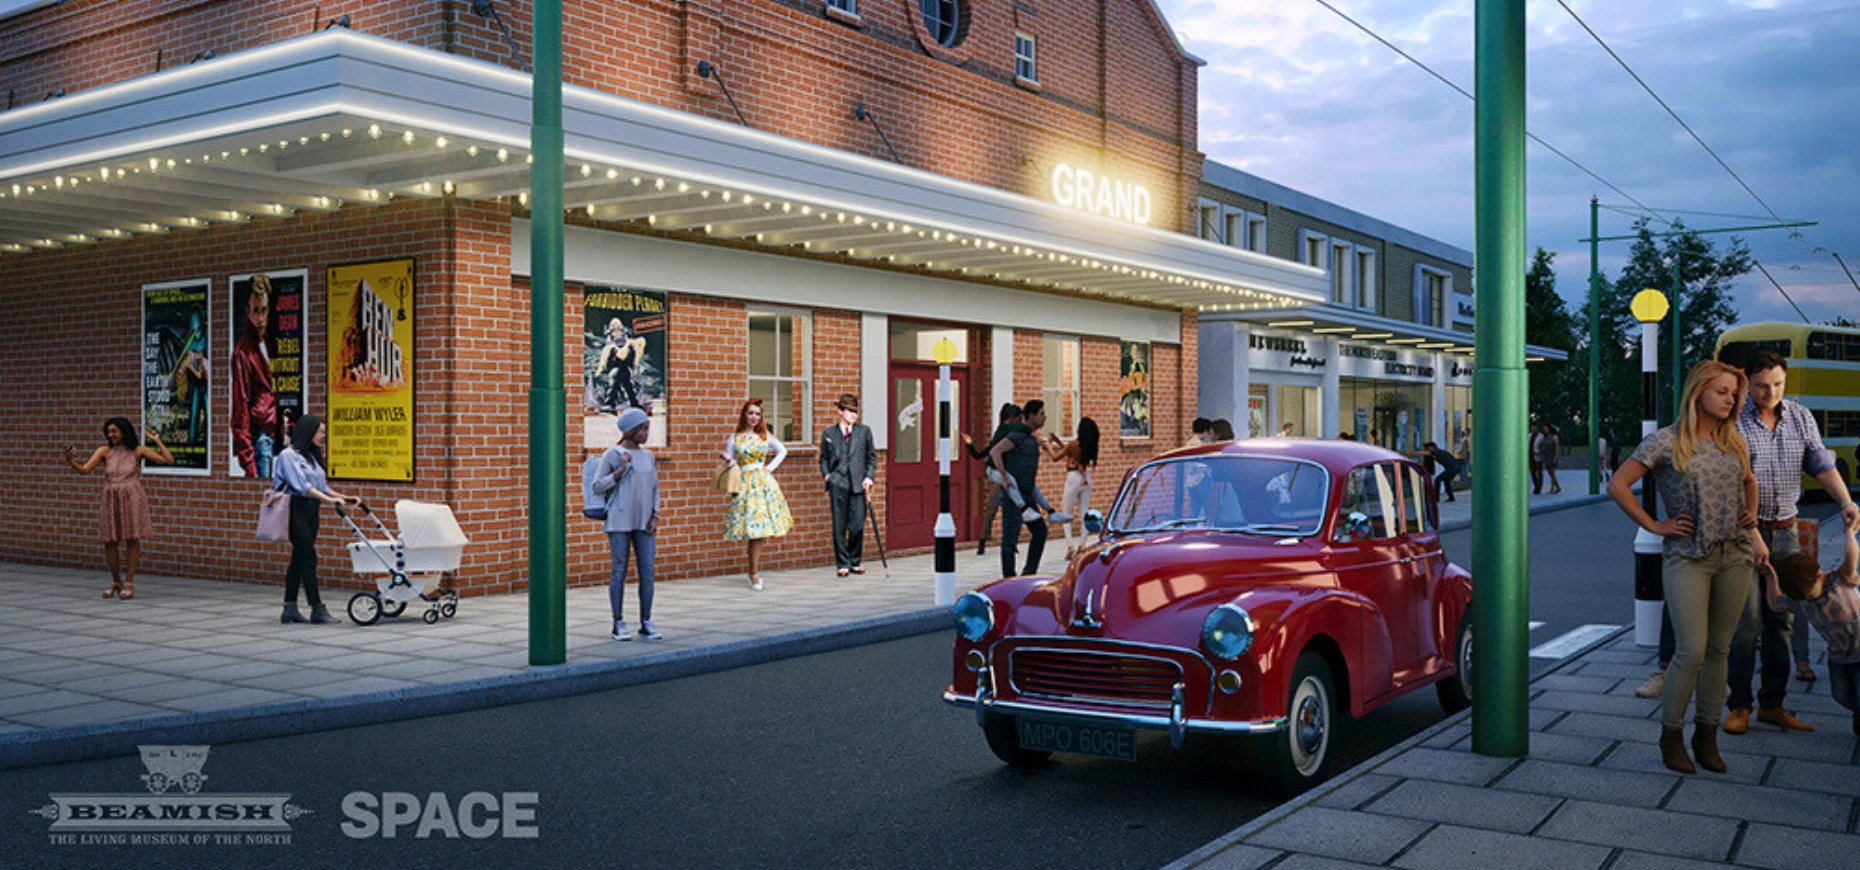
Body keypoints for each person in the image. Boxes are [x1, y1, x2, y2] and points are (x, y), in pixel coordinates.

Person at [1606, 360, 1758, 775]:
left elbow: (1748, 480)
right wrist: (1655, 525)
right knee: (1690, 650)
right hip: (1687, 555)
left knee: (1719, 650)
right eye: (1723, 391)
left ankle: (1705, 735)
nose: (1731, 400)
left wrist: (1752, 514)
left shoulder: (1734, 440)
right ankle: (1670, 734)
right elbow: (1618, 485)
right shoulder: (1666, 442)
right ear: (1698, 392)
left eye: (1734, 393)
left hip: (1735, 555)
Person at [1724, 350, 1860, 736]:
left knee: (1783, 619)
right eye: (1762, 386)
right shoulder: (1733, 422)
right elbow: (1730, 486)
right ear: (1747, 383)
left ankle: (1773, 704)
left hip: (1785, 531)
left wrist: (1846, 501)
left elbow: (1821, 464)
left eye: (1778, 384)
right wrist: (1752, 536)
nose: (1770, 392)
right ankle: (1739, 706)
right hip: (1743, 534)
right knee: (1747, 622)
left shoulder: (1800, 416)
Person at [1764, 522, 1859, 737]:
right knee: (1841, 695)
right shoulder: (1801, 599)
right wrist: (1771, 577)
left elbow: (1851, 557)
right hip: (1838, 658)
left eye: (1809, 594)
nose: (1807, 599)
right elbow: (1776, 604)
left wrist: (1849, 533)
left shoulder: (1839, 581)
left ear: (1817, 576)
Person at [64, 418, 174, 599]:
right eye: (108, 432)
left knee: (132, 537)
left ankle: (129, 581)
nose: (111, 435)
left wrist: (157, 441)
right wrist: (70, 461)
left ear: (124, 431)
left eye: (114, 431)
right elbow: (85, 470)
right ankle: (116, 580)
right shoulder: (104, 451)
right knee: (110, 539)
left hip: (132, 495)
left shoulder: (137, 450)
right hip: (110, 497)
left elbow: (168, 459)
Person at [273, 414, 358, 624]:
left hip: (312, 509)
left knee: (299, 558)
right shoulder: (288, 456)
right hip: (295, 509)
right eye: (320, 431)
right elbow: (302, 487)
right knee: (309, 558)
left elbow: (322, 487)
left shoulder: (311, 456)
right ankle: (317, 608)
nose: (322, 436)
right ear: (308, 431)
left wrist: (343, 497)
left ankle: (289, 607)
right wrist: (329, 501)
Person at [594, 407, 661, 641]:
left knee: (648, 572)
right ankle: (618, 622)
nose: (646, 433)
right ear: (630, 430)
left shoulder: (649, 456)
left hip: (644, 522)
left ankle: (646, 621)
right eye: (643, 429)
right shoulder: (613, 454)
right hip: (619, 520)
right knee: (619, 571)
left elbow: (655, 488)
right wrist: (620, 469)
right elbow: (597, 485)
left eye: (647, 428)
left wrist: (655, 515)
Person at [723, 398, 793, 591]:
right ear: (744, 415)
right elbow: (731, 464)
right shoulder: (735, 438)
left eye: (757, 414)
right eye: (750, 413)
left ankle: (754, 572)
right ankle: (753, 572)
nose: (754, 417)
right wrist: (728, 461)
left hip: (762, 484)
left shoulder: (765, 436)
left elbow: (782, 451)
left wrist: (769, 468)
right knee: (752, 528)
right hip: (745, 484)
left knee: (760, 530)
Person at [989, 399, 1051, 578]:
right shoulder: (1017, 436)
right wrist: (1004, 476)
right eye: (1041, 414)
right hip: (1012, 495)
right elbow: (995, 452)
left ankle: (1029, 573)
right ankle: (1009, 577)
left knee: (1040, 531)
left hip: (1027, 492)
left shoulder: (1030, 437)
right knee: (1010, 537)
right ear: (1030, 416)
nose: (1044, 418)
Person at [819, 393, 876, 577]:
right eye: (850, 411)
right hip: (838, 483)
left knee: (858, 524)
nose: (853, 415)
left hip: (859, 484)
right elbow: (823, 459)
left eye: (855, 411)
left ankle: (855, 560)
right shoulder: (829, 433)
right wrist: (827, 476)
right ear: (840, 412)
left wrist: (869, 477)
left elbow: (871, 458)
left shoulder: (864, 431)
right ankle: (842, 563)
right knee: (839, 525)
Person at [230, 275, 281, 478]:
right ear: (247, 311)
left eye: (264, 310)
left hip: (270, 434)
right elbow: (240, 410)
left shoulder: (267, 341)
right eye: (256, 311)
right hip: (260, 439)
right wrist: (248, 463)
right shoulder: (243, 353)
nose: (260, 319)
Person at [965, 403, 1020, 556]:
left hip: (1001, 476)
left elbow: (979, 455)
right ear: (1012, 418)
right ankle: (993, 543)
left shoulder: (1001, 434)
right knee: (1011, 510)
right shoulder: (1009, 432)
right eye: (1018, 418)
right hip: (1002, 476)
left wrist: (970, 445)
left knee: (994, 510)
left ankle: (985, 544)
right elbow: (980, 455)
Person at [1044, 417, 1100, 559]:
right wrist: (1057, 441)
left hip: (1073, 478)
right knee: (1084, 513)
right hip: (1085, 478)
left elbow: (1056, 457)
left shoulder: (1073, 445)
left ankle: (1070, 546)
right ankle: (1082, 545)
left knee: (1066, 513)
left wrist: (1049, 444)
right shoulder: (1089, 446)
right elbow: (1070, 452)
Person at [598, 318, 647, 412]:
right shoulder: (610, 346)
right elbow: (607, 359)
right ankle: (611, 403)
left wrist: (633, 363)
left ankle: (633, 403)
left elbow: (632, 355)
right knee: (614, 380)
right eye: (614, 331)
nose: (617, 333)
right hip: (615, 367)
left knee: (628, 384)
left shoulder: (629, 343)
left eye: (619, 331)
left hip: (625, 367)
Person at [1544, 424, 1564, 494]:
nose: (1545, 430)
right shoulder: (1545, 437)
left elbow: (1557, 448)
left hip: (1552, 456)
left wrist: (1555, 457)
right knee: (1550, 473)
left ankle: (1552, 488)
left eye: (1546, 428)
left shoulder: (1554, 437)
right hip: (1546, 456)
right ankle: (1558, 487)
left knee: (1552, 473)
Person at [1529, 424, 1546, 494]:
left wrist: (1536, 451)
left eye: (1534, 428)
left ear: (1537, 428)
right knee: (1532, 472)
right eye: (1531, 428)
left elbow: (1544, 447)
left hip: (1538, 456)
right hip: (1530, 456)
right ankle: (1536, 486)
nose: (1533, 429)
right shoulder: (1529, 435)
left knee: (1539, 472)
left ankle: (1539, 488)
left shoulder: (1541, 437)